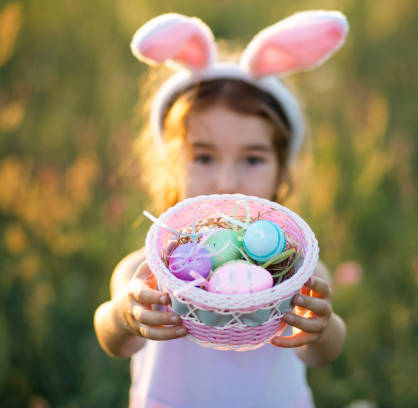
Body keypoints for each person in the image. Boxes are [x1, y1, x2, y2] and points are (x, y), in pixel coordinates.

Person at [93, 10, 349, 408]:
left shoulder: (300, 273)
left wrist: (322, 327)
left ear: (282, 174)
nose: (227, 181)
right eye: (204, 157)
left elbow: (321, 353)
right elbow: (112, 339)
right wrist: (126, 315)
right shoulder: (144, 272)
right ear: (170, 166)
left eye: (252, 160)